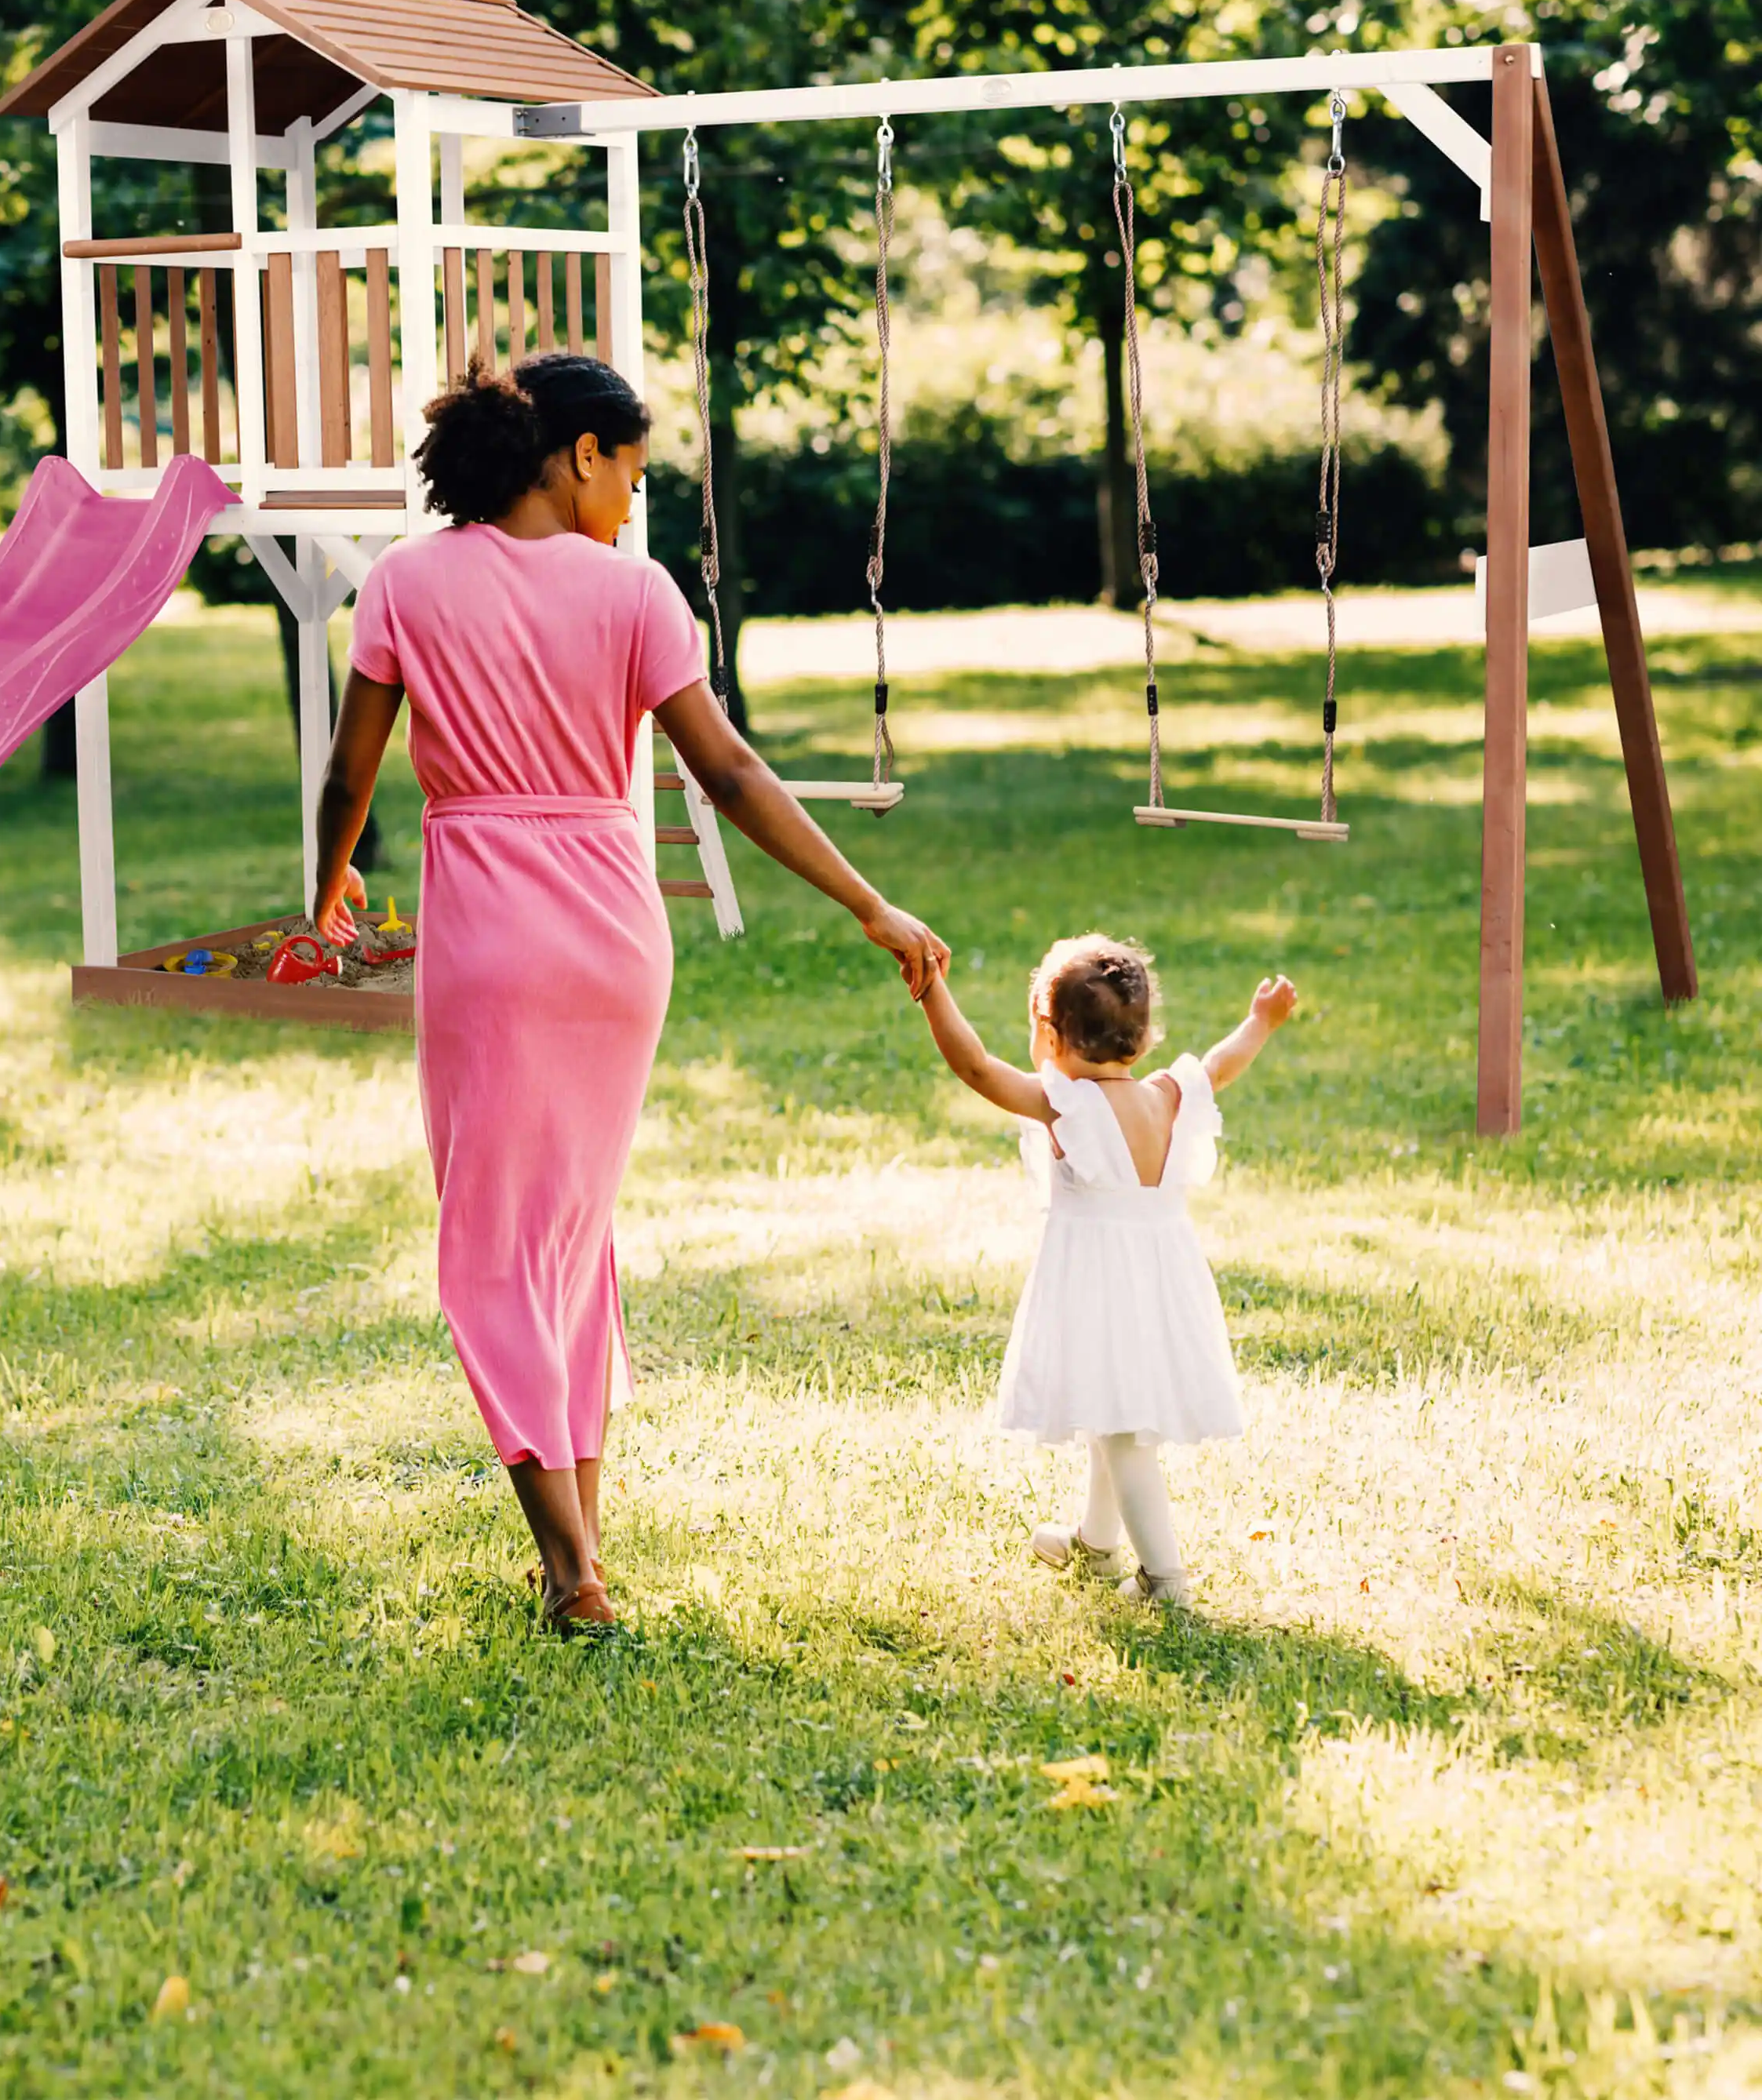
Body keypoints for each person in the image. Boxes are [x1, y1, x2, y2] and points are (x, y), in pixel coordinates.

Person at [311, 354, 949, 1632]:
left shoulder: (405, 584)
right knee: (568, 1239)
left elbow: (351, 771)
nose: (632, 500)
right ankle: (581, 1545)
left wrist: (324, 889)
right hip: (613, 936)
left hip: (490, 934)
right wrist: (867, 901)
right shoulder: (636, 595)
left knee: (494, 1248)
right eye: (633, 473)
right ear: (578, 454)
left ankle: (570, 1568)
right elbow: (730, 775)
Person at [913, 935, 1298, 1607]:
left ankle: (1164, 1579)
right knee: (1107, 1406)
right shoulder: (1170, 1095)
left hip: (1100, 1285)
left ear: (1052, 1033)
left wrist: (931, 989)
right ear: (1144, 1038)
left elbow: (975, 1067)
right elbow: (1222, 1062)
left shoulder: (1067, 1106)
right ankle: (1095, 1544)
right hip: (1161, 1280)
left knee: (1122, 1432)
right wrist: (1260, 1022)